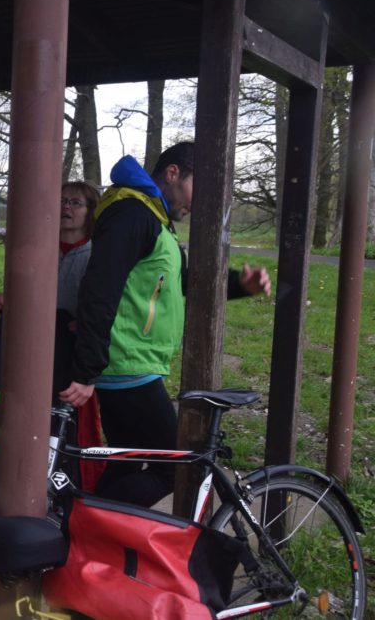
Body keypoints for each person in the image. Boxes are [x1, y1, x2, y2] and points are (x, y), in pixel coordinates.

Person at [59, 142, 271, 508]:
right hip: (126, 364)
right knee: (175, 468)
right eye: (197, 187)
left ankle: (82, 530)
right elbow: (100, 288)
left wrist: (240, 285)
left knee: (126, 462)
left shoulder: (153, 217)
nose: (198, 203)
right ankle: (77, 524)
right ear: (173, 173)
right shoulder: (132, 213)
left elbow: (180, 281)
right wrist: (87, 370)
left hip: (133, 361)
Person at [0, 181, 102, 498]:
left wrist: (85, 322)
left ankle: (55, 492)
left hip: (66, 352)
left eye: (75, 203)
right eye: (62, 201)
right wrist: (6, 300)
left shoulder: (96, 255)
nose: (66, 207)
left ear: (90, 212)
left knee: (57, 422)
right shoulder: (40, 248)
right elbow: (23, 293)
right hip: (27, 344)